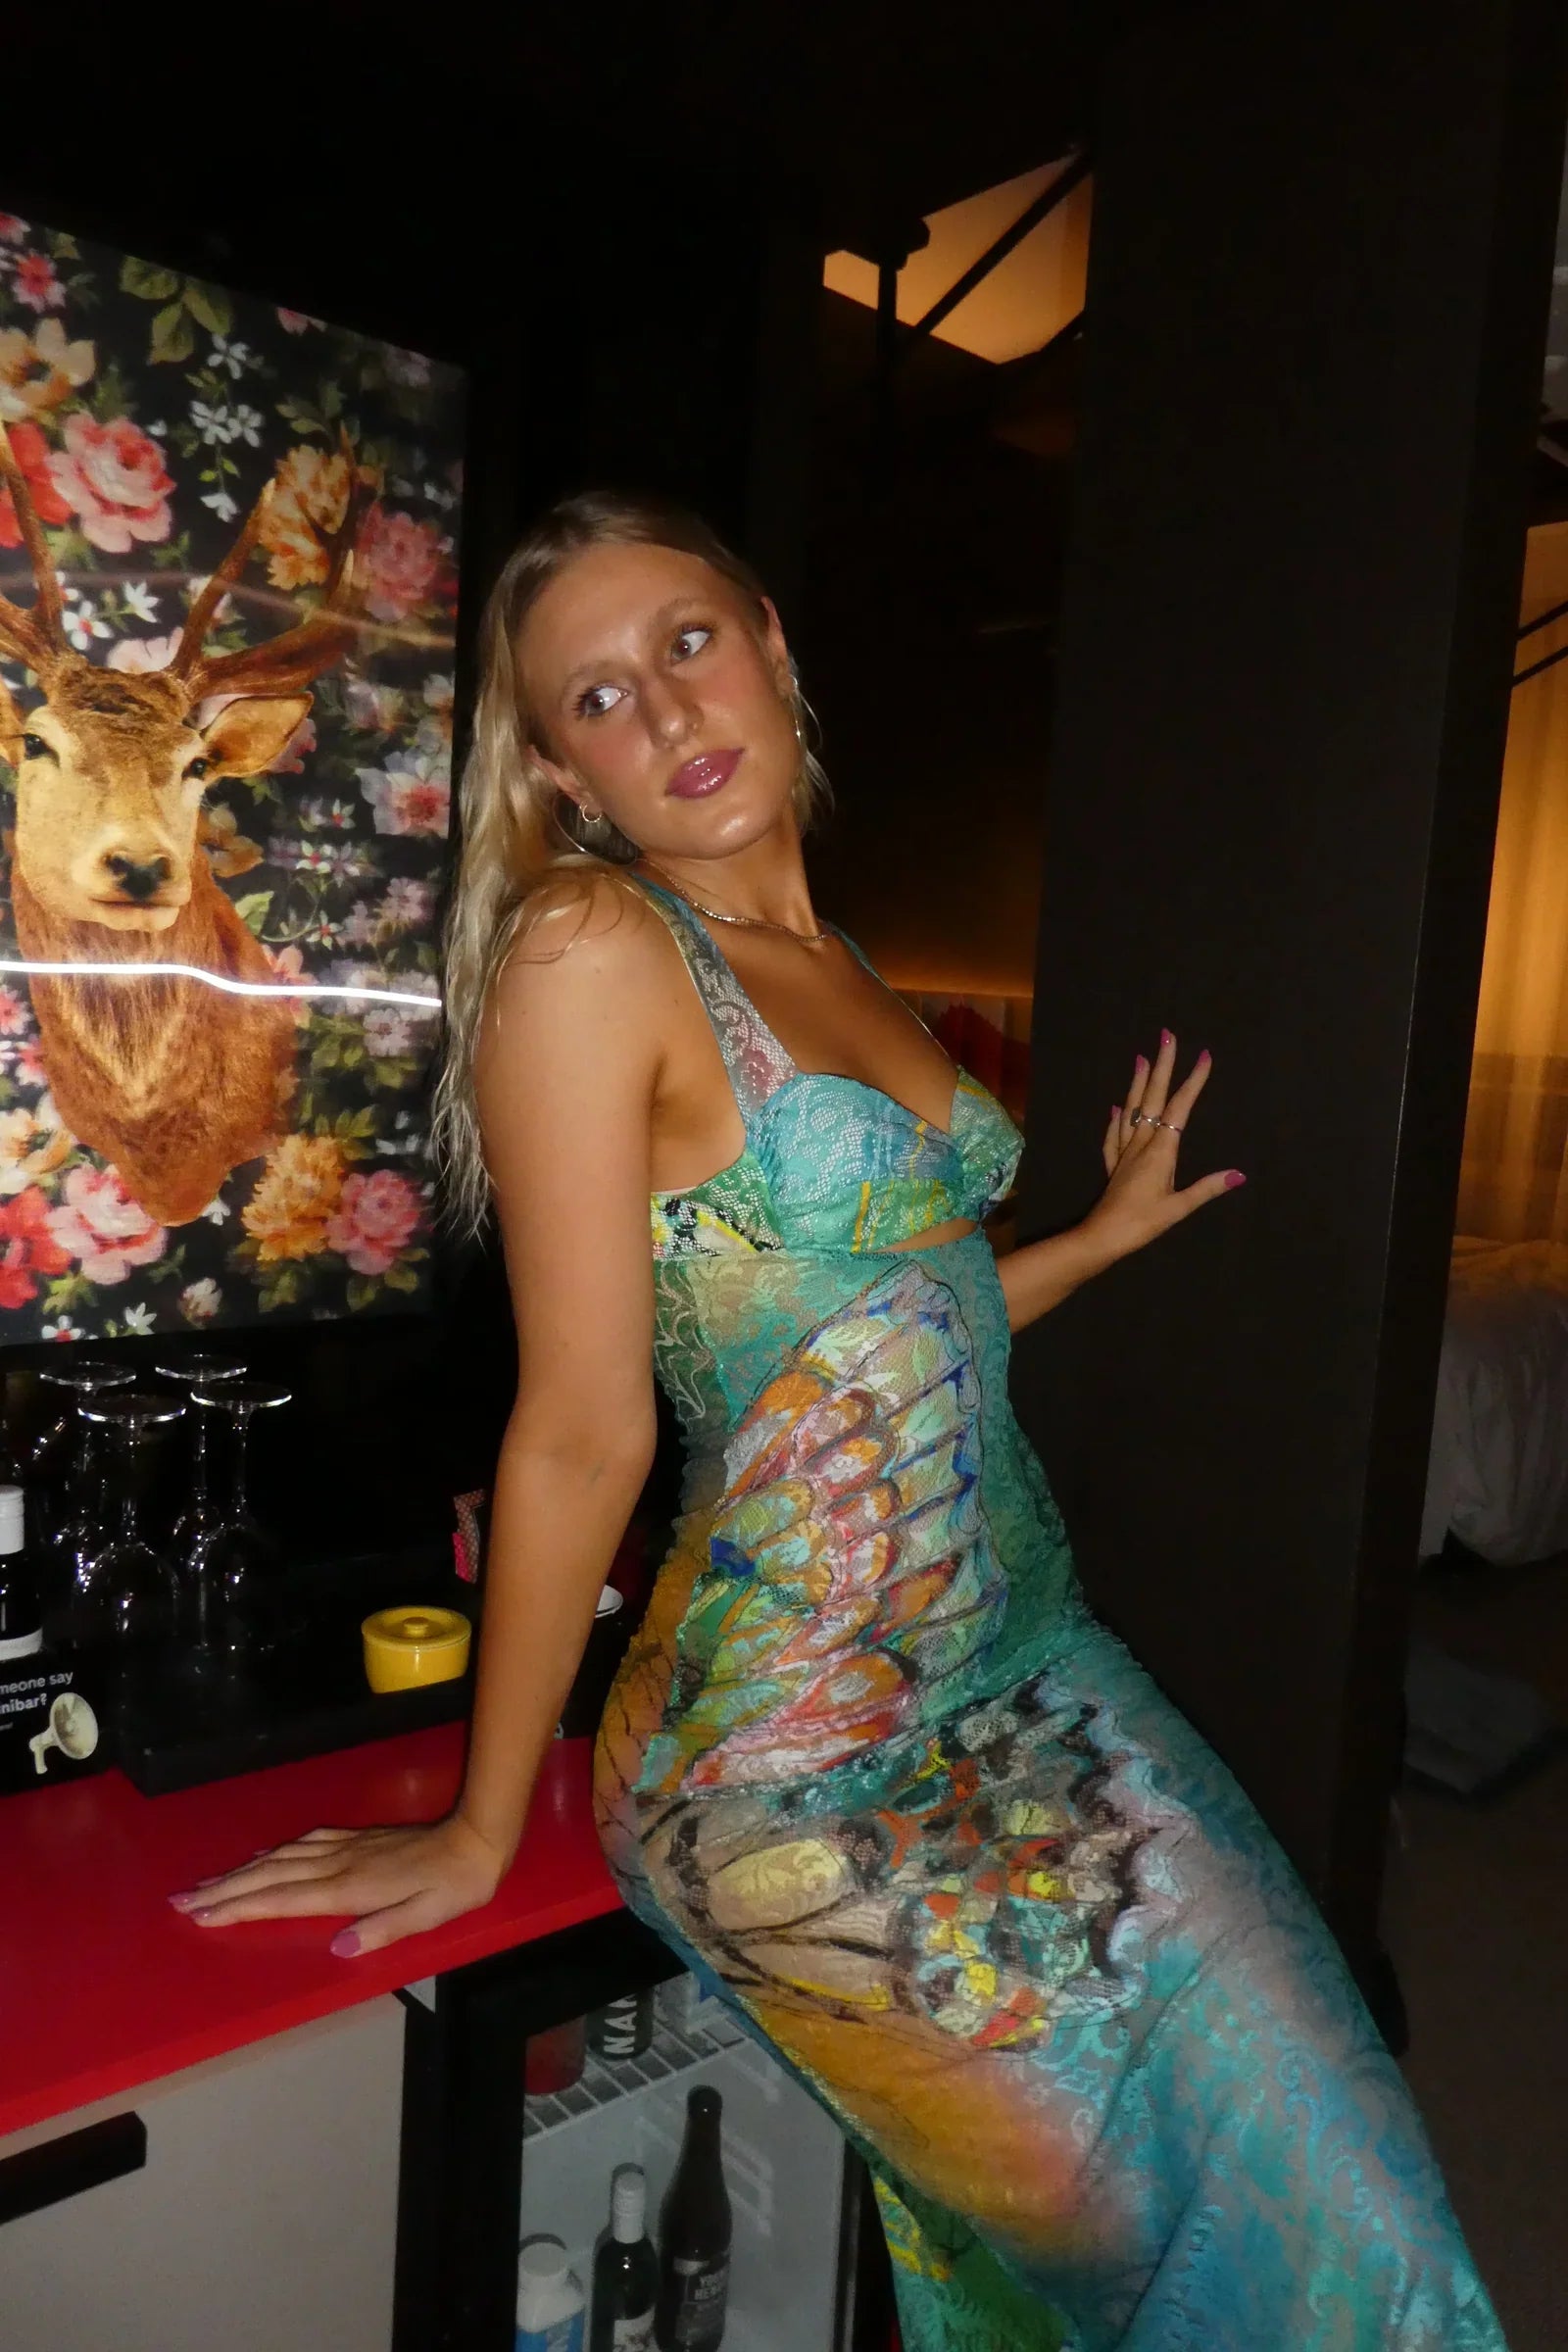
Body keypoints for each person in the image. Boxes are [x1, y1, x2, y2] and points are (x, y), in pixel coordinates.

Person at [174, 493, 1506, 2351]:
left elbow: (881, 1333)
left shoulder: (849, 962)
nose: (667, 708)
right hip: (788, 1752)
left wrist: (1093, 1239)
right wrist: (484, 1823)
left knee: (1335, 2161)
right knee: (1227, 2243)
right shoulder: (591, 947)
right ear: (559, 774)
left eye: (689, 643)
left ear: (773, 646)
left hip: (1035, 1669)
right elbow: (581, 1432)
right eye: (599, 698)